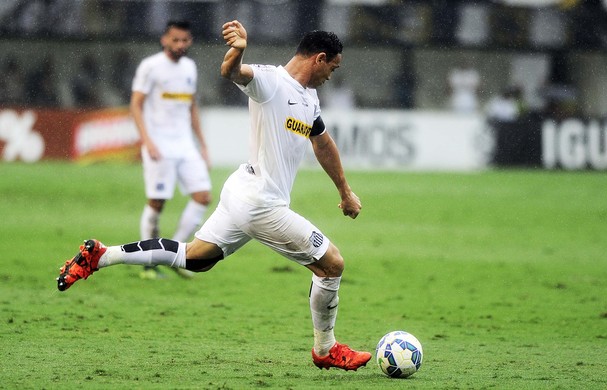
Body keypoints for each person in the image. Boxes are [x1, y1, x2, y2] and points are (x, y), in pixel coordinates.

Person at [57, 19, 372, 372]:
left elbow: (322, 142)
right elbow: (232, 72)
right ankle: (326, 349)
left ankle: (100, 256)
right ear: (320, 58)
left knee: (196, 258)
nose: (332, 74)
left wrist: (345, 191)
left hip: (242, 191)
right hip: (260, 203)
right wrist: (237, 52)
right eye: (333, 67)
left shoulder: (309, 99)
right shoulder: (270, 81)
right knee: (332, 265)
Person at [130, 20, 212, 279]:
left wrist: (203, 145)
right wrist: (147, 141)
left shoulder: (190, 67)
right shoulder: (150, 66)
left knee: (203, 196)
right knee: (157, 202)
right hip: (159, 145)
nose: (181, 45)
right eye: (175, 40)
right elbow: (135, 105)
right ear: (164, 39)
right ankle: (148, 264)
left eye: (185, 40)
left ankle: (173, 253)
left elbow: (191, 106)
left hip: (185, 144)